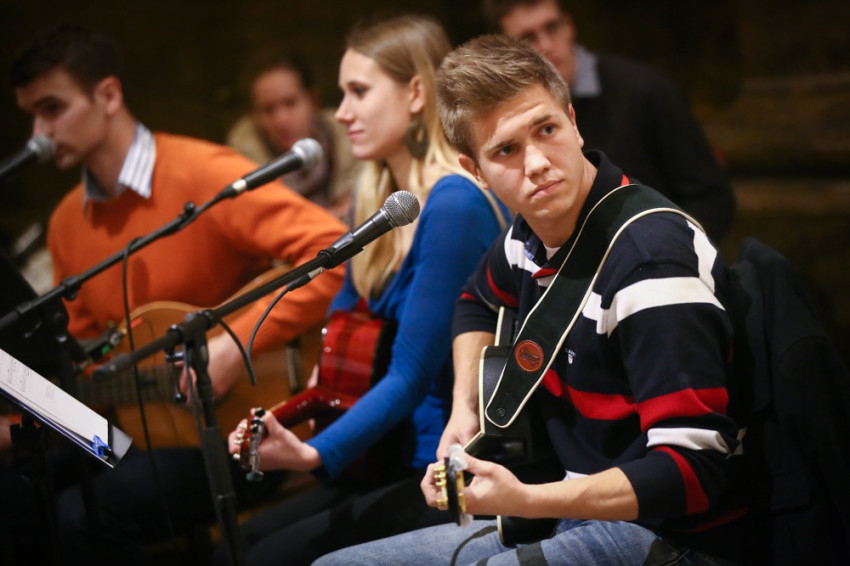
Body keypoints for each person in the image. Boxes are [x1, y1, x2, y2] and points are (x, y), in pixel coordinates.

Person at [315, 33, 748, 565]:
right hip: (569, 509)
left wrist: (525, 499)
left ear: (573, 121)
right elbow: (474, 300)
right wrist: (464, 410)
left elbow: (694, 473)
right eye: (507, 150)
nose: (538, 163)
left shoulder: (650, 262)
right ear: (475, 171)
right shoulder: (527, 235)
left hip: (667, 536)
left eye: (546, 129)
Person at [5, 25, 347, 565]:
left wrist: (234, 342)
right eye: (32, 115)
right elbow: (86, 367)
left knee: (84, 517)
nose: (39, 134)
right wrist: (22, 417)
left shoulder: (204, 172)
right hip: (137, 431)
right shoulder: (68, 222)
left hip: (245, 429)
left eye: (52, 109)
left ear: (108, 95)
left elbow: (337, 251)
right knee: (18, 500)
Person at [214, 15, 510, 566]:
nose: (343, 112)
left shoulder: (454, 203)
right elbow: (338, 341)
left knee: (265, 556)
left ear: (416, 93)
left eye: (358, 92)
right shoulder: (378, 201)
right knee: (242, 543)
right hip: (382, 453)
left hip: (438, 467)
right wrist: (283, 417)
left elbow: (410, 375)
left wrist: (311, 453)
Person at [481, 0, 736, 242]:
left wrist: (663, 254)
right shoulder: (506, 123)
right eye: (528, 38)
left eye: (552, 27)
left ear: (569, 25)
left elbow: (711, 200)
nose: (546, 45)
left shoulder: (644, 90)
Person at [226, 53, 359, 219]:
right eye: (268, 109)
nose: (281, 120)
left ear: (313, 100)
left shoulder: (348, 139)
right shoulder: (243, 160)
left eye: (290, 103)